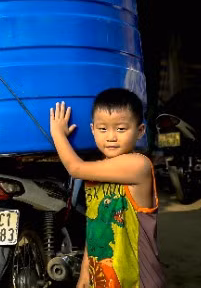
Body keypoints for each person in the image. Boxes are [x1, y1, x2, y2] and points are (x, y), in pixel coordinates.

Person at [49, 88, 164, 288]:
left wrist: (58, 134)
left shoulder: (138, 165)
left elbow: (75, 168)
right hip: (103, 279)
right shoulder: (95, 174)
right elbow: (96, 226)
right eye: (103, 129)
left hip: (137, 281)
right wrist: (86, 272)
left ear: (140, 131)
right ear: (92, 129)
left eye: (120, 129)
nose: (111, 137)